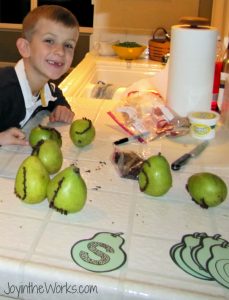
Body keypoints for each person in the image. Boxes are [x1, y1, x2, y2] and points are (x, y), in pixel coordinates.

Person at [0, 5, 79, 146]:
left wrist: (62, 106)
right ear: (25, 48)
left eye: (68, 45)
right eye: (49, 41)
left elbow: (55, 93)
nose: (60, 51)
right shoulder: (5, 91)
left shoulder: (42, 86)